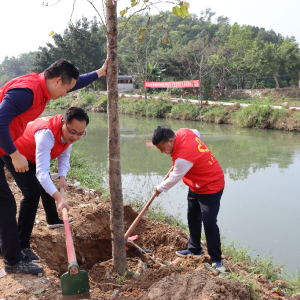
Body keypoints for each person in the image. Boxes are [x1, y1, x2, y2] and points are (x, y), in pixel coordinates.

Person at [0, 58, 108, 274]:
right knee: (10, 203)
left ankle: (11, 249)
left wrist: (100, 72)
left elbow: (75, 83)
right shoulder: (27, 93)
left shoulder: (44, 88)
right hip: (12, 149)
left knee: (9, 202)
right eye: (67, 88)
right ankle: (13, 259)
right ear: (58, 80)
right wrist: (15, 154)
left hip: (6, 147)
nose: (68, 93)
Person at [152, 126, 225, 268]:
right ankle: (194, 249)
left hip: (211, 185)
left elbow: (174, 178)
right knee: (192, 216)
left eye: (162, 148)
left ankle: (216, 259)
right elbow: (197, 133)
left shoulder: (182, 159)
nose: (162, 152)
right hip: (196, 184)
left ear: (171, 141)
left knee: (209, 222)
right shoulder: (185, 132)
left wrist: (159, 188)